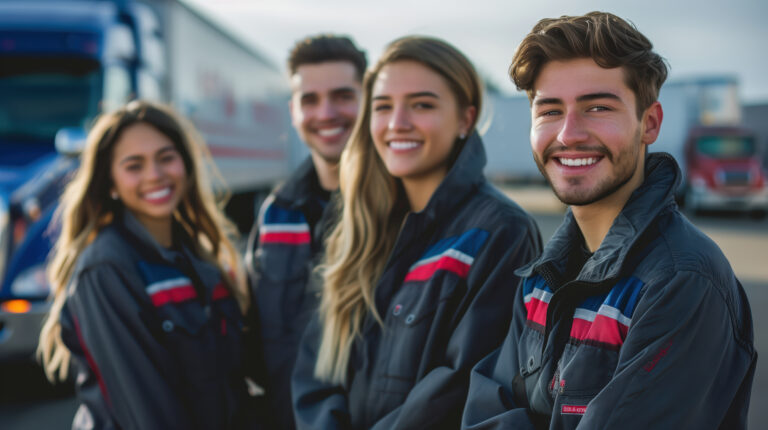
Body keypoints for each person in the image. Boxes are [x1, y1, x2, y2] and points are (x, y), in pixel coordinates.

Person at [462, 12, 756, 430]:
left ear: (648, 123)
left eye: (597, 107)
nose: (568, 134)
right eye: (549, 111)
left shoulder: (683, 281)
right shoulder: (540, 279)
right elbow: (489, 407)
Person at [291, 35, 542, 429]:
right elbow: (316, 372)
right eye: (383, 106)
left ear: (465, 119)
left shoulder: (500, 231)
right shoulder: (356, 229)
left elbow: (461, 386)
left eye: (422, 105)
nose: (397, 123)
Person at [37, 101, 255, 429]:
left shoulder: (197, 257)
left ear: (185, 164)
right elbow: (147, 412)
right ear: (110, 182)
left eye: (166, 158)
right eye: (134, 165)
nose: (155, 175)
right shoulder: (107, 269)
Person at [244, 34, 366, 430]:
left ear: (370, 100)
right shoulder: (276, 212)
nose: (326, 113)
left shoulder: (407, 211)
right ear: (293, 111)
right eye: (309, 99)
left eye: (343, 96)